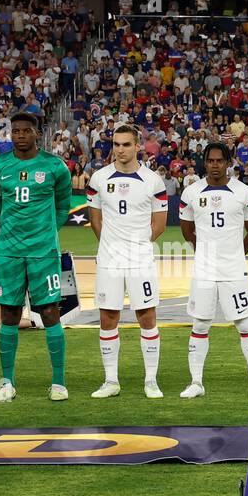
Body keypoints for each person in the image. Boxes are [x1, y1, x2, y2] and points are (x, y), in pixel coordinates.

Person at [0, 112, 73, 402]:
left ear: (38, 133)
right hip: (10, 251)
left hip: (42, 252)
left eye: (26, 130)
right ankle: (7, 383)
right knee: (8, 314)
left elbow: (62, 207)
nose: (20, 135)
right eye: (16, 131)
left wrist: (46, 233)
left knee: (49, 312)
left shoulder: (54, 166)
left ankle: (59, 383)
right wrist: (13, 233)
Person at [177, 142, 248, 398]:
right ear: (204, 163)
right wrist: (202, 250)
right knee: (200, 324)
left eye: (219, 160)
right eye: (210, 160)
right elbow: (186, 229)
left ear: (229, 163)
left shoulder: (244, 192)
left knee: (245, 323)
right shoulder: (191, 192)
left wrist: (237, 254)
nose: (215, 165)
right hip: (204, 270)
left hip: (234, 270)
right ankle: (196, 383)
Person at [87, 123, 168, 399]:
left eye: (126, 144)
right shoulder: (98, 178)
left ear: (138, 146)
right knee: (108, 317)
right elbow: (95, 219)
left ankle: (151, 381)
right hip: (109, 260)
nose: (120, 149)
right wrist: (110, 244)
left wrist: (138, 245)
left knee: (147, 316)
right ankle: (111, 381)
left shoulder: (153, 181)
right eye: (116, 144)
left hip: (140, 260)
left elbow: (159, 224)